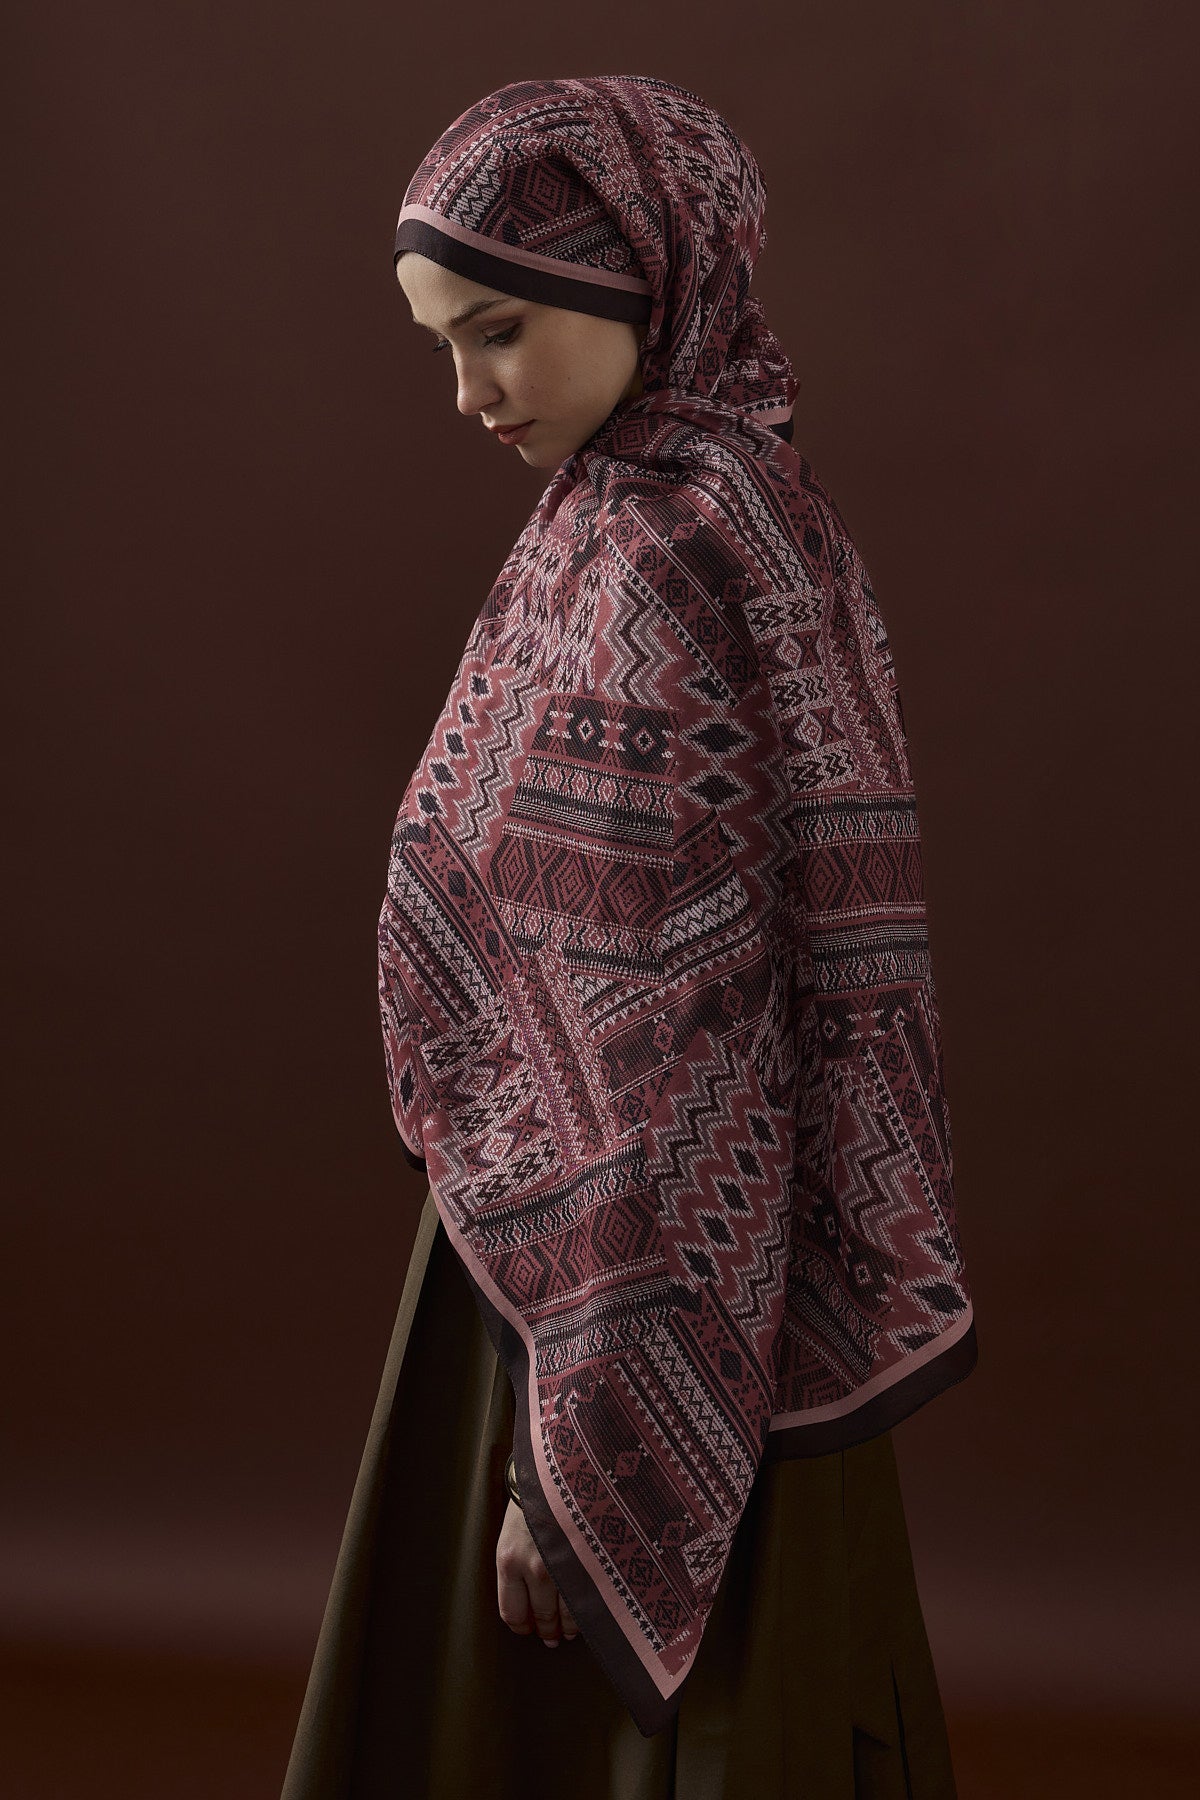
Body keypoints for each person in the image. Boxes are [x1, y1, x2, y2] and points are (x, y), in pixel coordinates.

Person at [281, 75, 977, 1800]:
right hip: (605, 1232)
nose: (470, 392)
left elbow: (664, 1047)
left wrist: (566, 1457)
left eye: (499, 331)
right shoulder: (660, 508)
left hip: (632, 1260)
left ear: (643, 278)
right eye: (445, 343)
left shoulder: (679, 546)